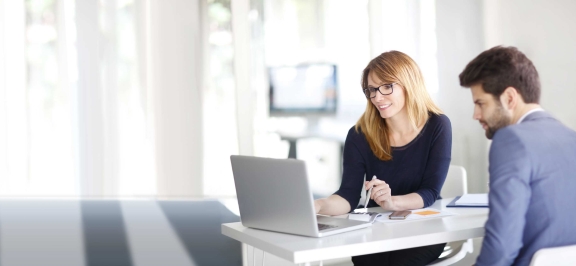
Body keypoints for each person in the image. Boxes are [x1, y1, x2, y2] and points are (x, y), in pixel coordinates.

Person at [314, 51, 452, 266]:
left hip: (424, 227)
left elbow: (430, 192)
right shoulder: (359, 134)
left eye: (386, 87)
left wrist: (391, 202)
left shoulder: (437, 125)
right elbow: (348, 196)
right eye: (371, 90)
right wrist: (319, 205)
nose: (377, 97)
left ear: (409, 84)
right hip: (377, 230)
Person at [459, 46, 576, 266]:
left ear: (509, 98)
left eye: (480, 103)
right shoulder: (571, 136)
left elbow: (502, 248)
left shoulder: (511, 139)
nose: (475, 115)